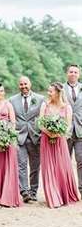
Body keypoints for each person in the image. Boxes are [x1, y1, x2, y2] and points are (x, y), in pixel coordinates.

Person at [39, 82, 79, 208]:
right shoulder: (45, 105)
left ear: (57, 93)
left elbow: (67, 126)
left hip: (60, 141)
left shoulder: (67, 107)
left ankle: (63, 193)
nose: (48, 93)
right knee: (48, 168)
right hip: (46, 140)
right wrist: (49, 133)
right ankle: (52, 196)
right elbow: (40, 123)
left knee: (61, 167)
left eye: (51, 91)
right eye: (48, 90)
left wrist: (56, 134)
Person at [9, 76, 43, 202]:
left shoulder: (40, 99)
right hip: (19, 137)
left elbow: (43, 116)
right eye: (21, 84)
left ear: (30, 84)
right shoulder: (12, 100)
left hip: (35, 137)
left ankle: (33, 191)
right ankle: (24, 191)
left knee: (35, 166)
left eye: (25, 84)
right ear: (19, 85)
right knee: (21, 165)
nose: (23, 86)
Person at [63, 64, 82, 195]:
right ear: (67, 73)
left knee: (81, 160)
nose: (73, 74)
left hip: (81, 130)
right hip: (65, 131)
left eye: (76, 72)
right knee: (65, 161)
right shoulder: (61, 89)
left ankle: (81, 188)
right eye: (71, 72)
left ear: (79, 74)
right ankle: (66, 190)